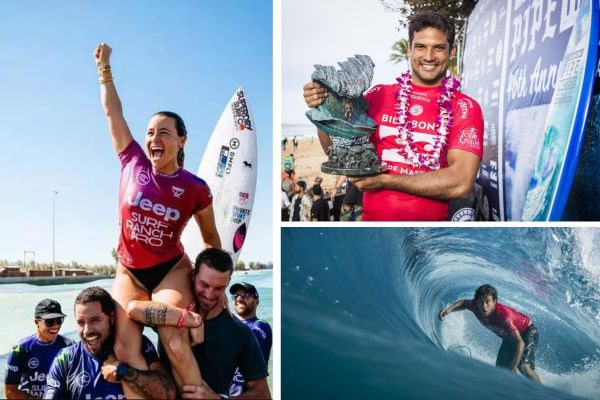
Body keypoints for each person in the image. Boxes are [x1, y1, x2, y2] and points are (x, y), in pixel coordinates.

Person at [94, 42, 221, 397]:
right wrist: (104, 70)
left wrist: (213, 292)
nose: (154, 139)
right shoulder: (131, 161)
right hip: (129, 270)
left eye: (163, 133)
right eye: (150, 133)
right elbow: (112, 113)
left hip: (171, 269)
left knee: (173, 337)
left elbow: (211, 240)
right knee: (124, 351)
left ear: (182, 141)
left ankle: (201, 394)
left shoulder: (195, 188)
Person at [303, 12, 484, 221]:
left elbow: (461, 182)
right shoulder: (379, 95)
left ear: (451, 51)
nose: (428, 56)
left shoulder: (465, 107)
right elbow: (336, 151)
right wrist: (325, 109)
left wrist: (386, 181)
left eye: (439, 48)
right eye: (420, 46)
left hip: (426, 233)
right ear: (409, 49)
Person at [126, 248, 271, 399]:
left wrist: (218, 399)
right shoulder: (173, 315)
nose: (209, 295)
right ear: (193, 275)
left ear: (227, 283)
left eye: (218, 288)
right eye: (204, 285)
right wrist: (190, 319)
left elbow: (263, 394)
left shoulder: (240, 333)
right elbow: (133, 309)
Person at [44, 287, 176, 399]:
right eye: (81, 323)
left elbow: (168, 393)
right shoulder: (65, 358)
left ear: (111, 318)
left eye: (95, 320)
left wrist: (124, 372)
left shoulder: (138, 344)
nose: (87, 330)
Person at [438, 284, 541, 383]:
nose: (484, 306)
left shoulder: (504, 317)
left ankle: (540, 393)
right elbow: (464, 303)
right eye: (481, 301)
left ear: (494, 302)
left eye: (487, 302)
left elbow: (520, 342)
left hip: (527, 331)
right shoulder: (475, 306)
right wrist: (448, 310)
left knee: (523, 367)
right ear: (476, 301)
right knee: (500, 369)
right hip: (509, 336)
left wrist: (512, 368)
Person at [5, 299, 73, 399]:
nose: (56, 325)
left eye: (59, 320)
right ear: (37, 322)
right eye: (49, 322)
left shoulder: (69, 346)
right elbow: (10, 392)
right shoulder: (19, 350)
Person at [228, 282, 272, 396]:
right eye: (236, 296)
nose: (239, 298)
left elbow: (248, 336)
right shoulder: (230, 326)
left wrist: (223, 311)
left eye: (245, 295)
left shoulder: (261, 326)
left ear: (256, 301)